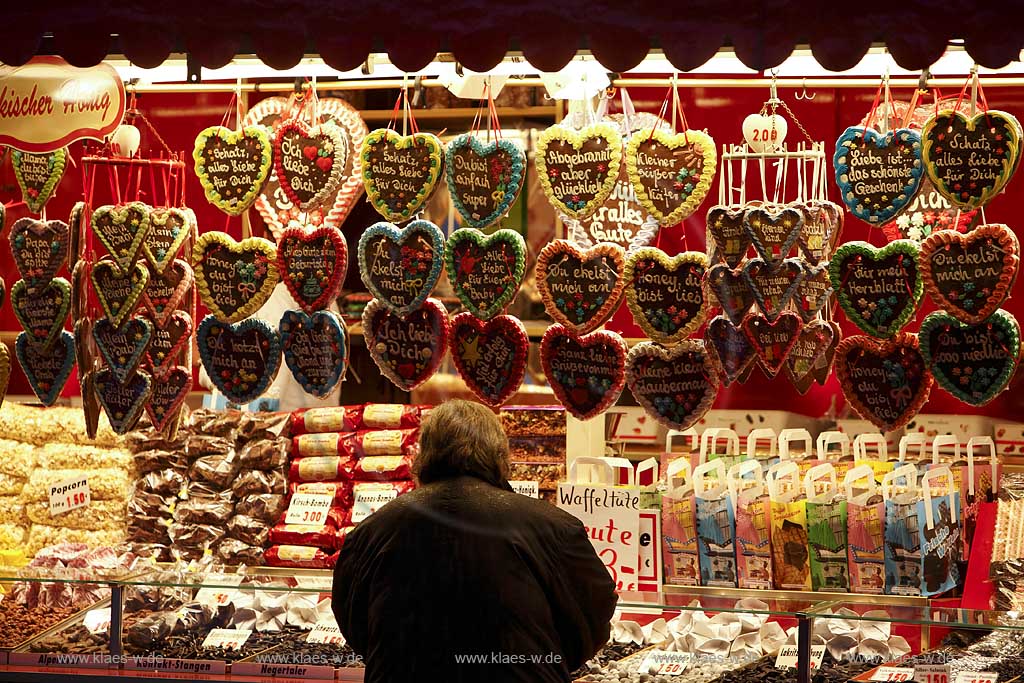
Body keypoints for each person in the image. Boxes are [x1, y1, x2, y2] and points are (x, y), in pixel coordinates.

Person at [332, 399, 617, 683]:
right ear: (500, 456)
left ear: (424, 454)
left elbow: (353, 621)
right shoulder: (552, 526)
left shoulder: (372, 530)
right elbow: (593, 612)